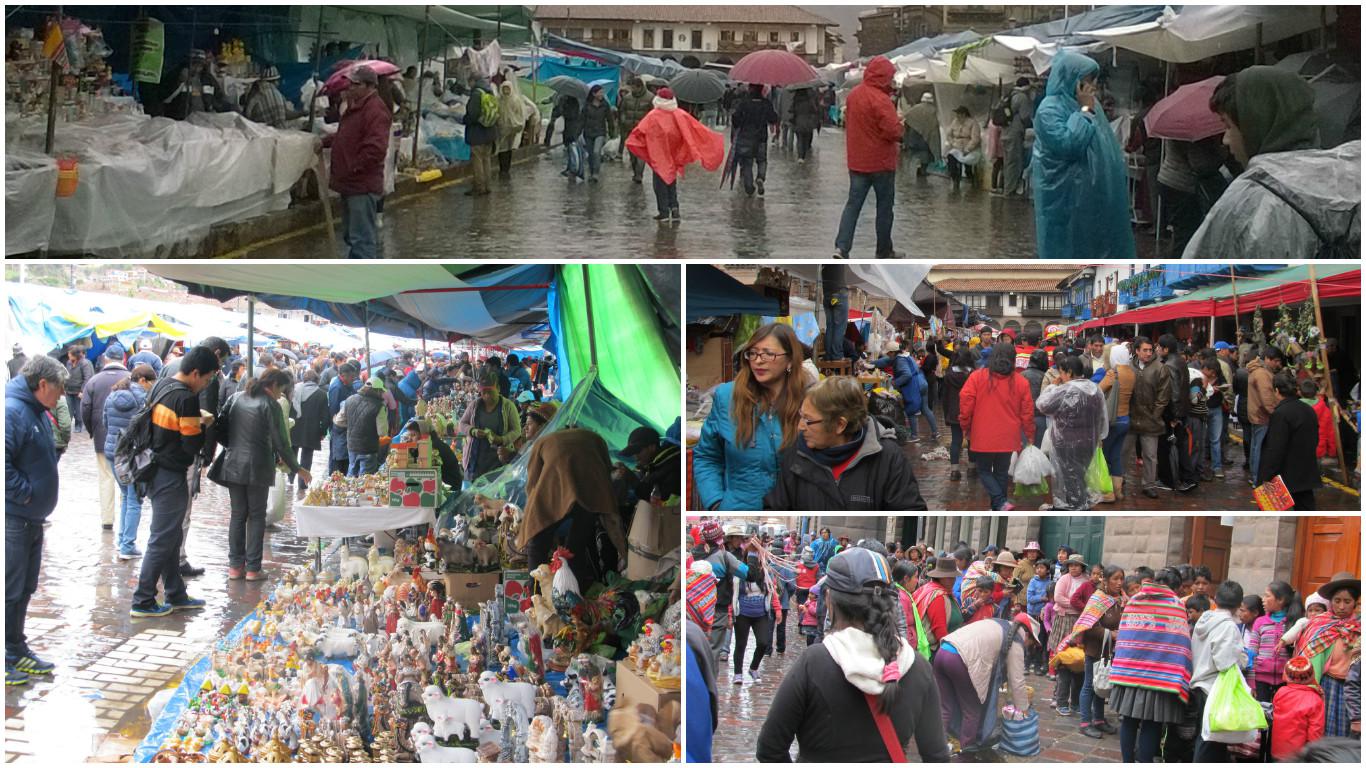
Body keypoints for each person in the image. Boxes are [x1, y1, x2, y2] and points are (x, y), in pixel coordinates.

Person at [757, 548, 949, 762]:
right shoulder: (918, 667)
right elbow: (937, 756)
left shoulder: (813, 663)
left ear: (829, 600)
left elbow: (770, 748)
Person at [1186, 66, 1358, 259]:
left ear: (1255, 125)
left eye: (1228, 126)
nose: (1225, 140)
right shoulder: (1349, 177)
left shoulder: (1249, 200)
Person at [130, 346, 221, 619]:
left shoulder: (162, 385)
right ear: (196, 373)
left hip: (154, 468)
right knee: (162, 538)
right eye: (207, 379)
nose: (205, 385)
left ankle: (175, 592)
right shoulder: (186, 398)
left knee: (171, 535)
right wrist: (203, 423)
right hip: (170, 473)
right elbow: (191, 445)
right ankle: (143, 599)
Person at [764, 375, 926, 511]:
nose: (800, 426)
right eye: (801, 416)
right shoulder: (796, 453)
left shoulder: (887, 458)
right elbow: (776, 506)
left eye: (808, 420)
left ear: (840, 425)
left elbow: (910, 509)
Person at [1031, 51, 1135, 259]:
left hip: (1093, 198)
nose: (1092, 86)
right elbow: (1069, 145)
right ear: (1072, 79)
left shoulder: (1092, 105)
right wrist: (1085, 110)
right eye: (1086, 80)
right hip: (1064, 200)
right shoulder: (1049, 109)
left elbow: (1106, 146)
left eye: (1093, 80)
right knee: (1066, 249)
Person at [693, 323, 806, 511]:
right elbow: (707, 456)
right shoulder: (727, 397)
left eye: (768, 354)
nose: (758, 361)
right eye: (752, 353)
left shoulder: (809, 401)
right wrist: (715, 502)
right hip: (737, 508)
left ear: (790, 360)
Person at [5, 356, 67, 685]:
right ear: (42, 384)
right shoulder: (13, 411)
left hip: (31, 518)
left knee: (24, 587)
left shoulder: (34, 409)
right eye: (59, 388)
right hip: (15, 517)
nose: (62, 394)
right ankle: (7, 654)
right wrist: (26, 494)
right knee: (9, 589)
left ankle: (15, 648)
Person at [212, 369, 307, 581]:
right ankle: (253, 569)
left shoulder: (236, 398)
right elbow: (281, 442)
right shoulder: (271, 405)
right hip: (259, 466)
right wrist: (297, 468)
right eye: (281, 390)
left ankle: (235, 567)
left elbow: (219, 427)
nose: (281, 395)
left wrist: (233, 446)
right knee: (256, 516)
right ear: (274, 385)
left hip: (234, 464)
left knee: (238, 515)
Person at [519, 428, 625, 587]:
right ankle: (575, 591)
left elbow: (533, 480)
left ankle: (536, 591)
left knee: (537, 544)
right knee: (576, 545)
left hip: (557, 490)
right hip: (590, 493)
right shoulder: (595, 437)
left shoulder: (544, 441)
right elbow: (607, 467)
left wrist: (533, 511)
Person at [1108, 567, 1193, 763]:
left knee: (1129, 720)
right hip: (1161, 676)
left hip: (1130, 672)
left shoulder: (1135, 600)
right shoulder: (1176, 605)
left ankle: (1127, 762)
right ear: (1176, 588)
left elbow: (1126, 635)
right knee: (1152, 724)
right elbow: (1180, 642)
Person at [833, 56, 904, 259]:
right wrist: (901, 126)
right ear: (884, 76)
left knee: (853, 205)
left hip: (857, 161)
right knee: (884, 208)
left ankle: (841, 247)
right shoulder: (881, 100)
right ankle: (883, 250)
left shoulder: (854, 95)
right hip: (881, 163)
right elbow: (893, 131)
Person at [625, 87, 724, 223]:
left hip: (658, 154)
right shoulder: (679, 114)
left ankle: (664, 211)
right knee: (671, 181)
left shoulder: (653, 115)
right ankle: (674, 209)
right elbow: (695, 128)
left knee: (660, 183)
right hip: (674, 153)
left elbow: (639, 132)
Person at [321, 66, 390, 259]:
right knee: (352, 235)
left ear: (369, 86)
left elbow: (375, 149)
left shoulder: (375, 110)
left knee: (361, 239)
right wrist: (325, 142)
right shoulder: (356, 107)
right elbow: (347, 135)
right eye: (350, 83)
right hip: (350, 183)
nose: (350, 87)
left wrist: (354, 168)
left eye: (355, 84)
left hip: (361, 184)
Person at [958, 343, 1035, 511]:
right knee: (1001, 472)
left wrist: (965, 426)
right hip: (1008, 436)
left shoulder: (977, 377)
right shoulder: (1021, 382)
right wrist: (1029, 434)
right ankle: (999, 506)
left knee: (984, 470)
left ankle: (1000, 502)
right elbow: (1027, 412)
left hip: (982, 434)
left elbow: (966, 404)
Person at [1035, 356, 1107, 511]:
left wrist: (1052, 387)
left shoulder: (1065, 390)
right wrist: (1099, 437)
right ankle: (1079, 504)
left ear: (1069, 372)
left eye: (1061, 372)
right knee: (1080, 475)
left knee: (1068, 477)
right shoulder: (1095, 390)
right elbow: (1102, 417)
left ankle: (1071, 507)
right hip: (1089, 442)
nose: (1060, 376)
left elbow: (1042, 405)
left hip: (1066, 442)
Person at [1188, 580, 1248, 761]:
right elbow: (1224, 662)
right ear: (1238, 605)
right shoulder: (1228, 626)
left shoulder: (1204, 619)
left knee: (1211, 737)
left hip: (1200, 682)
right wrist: (1243, 659)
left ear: (1215, 599)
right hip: (1214, 688)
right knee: (1209, 739)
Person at [104, 365, 156, 560]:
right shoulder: (143, 400)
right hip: (132, 456)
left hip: (113, 452)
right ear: (142, 380)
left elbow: (105, 422)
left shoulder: (112, 395)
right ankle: (127, 545)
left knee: (126, 496)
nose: (151, 386)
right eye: (151, 382)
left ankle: (122, 541)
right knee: (134, 499)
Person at [81, 346, 130, 531]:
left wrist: (92, 430)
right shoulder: (132, 378)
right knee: (126, 477)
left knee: (106, 478)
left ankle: (107, 519)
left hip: (102, 437)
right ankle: (126, 517)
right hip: (128, 439)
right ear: (123, 359)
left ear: (106, 359)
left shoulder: (94, 380)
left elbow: (85, 408)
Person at [1258, 373, 1321, 509]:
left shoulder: (1281, 413)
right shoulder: (1308, 410)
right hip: (1305, 472)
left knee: (1269, 511)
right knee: (1306, 509)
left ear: (1277, 390)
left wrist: (1266, 476)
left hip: (1284, 475)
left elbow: (1275, 449)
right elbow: (1315, 439)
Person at [694, 522, 754, 663]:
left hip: (694, 610)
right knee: (713, 649)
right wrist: (752, 554)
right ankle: (708, 675)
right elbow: (750, 575)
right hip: (717, 610)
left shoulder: (693, 555)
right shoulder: (724, 557)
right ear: (722, 537)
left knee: (695, 646)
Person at [456, 373, 521, 482]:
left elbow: (516, 430)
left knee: (496, 487)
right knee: (474, 489)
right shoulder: (475, 405)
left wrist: (501, 439)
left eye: (490, 392)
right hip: (475, 460)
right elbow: (462, 424)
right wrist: (473, 431)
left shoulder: (508, 406)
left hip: (498, 460)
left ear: (498, 389)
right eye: (483, 392)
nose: (486, 396)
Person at [1129, 336, 1172, 499]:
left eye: (1150, 350)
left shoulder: (1160, 368)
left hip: (1151, 419)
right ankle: (1119, 479)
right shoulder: (1129, 366)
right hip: (1131, 417)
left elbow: (1163, 396)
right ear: (1137, 351)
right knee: (1124, 452)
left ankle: (1149, 484)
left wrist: (1155, 415)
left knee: (1150, 455)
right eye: (1144, 350)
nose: (1148, 353)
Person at [732, 544, 780, 683]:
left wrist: (777, 608)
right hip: (743, 613)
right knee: (741, 644)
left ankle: (753, 668)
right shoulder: (740, 572)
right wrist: (731, 613)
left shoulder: (766, 572)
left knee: (763, 642)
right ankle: (738, 673)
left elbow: (772, 591)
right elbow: (733, 593)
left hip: (761, 613)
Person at [870, 342, 936, 444]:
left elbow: (907, 375)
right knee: (925, 408)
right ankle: (935, 432)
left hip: (915, 385)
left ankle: (914, 436)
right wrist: (871, 364)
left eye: (888, 353)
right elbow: (886, 361)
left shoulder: (900, 360)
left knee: (911, 409)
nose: (887, 355)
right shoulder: (903, 355)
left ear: (893, 352)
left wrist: (894, 383)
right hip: (922, 382)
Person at [1249, 580, 1304, 702]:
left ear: (1281, 600)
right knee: (1262, 711)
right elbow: (1252, 652)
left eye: (1267, 596)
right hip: (1260, 680)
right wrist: (1251, 681)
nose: (1263, 599)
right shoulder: (1260, 622)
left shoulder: (1294, 623)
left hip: (1286, 681)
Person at [1098, 343, 1136, 500]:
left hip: (1112, 421)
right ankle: (1118, 491)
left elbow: (1098, 390)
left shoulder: (1113, 373)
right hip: (1125, 420)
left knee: (1104, 456)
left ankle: (1108, 493)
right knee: (1116, 456)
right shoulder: (1131, 373)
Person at [1271, 656, 1327, 760]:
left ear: (1287, 675)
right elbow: (1315, 734)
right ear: (1311, 675)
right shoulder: (1315, 700)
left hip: (1277, 751)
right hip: (1299, 757)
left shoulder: (1280, 692)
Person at [731, 84, 779, 197]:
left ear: (750, 89)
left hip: (746, 137)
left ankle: (749, 187)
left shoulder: (744, 103)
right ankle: (760, 177)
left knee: (747, 162)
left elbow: (736, 119)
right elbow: (773, 119)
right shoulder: (766, 103)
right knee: (762, 160)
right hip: (761, 137)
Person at [337, 375, 389, 477]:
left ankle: (349, 487)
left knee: (351, 474)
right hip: (368, 448)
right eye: (381, 391)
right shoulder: (379, 406)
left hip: (352, 445)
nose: (382, 394)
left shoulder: (350, 399)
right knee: (365, 479)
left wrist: (353, 424)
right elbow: (382, 432)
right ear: (378, 390)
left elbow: (339, 421)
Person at [289, 369, 330, 497]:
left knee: (291, 454)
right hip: (311, 430)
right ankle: (303, 484)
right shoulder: (321, 394)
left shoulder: (294, 391)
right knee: (306, 457)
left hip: (293, 428)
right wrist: (323, 431)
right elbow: (325, 416)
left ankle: (290, 479)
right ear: (317, 380)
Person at [160, 50, 231, 120]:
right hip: (180, 123)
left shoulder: (208, 79)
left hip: (203, 122)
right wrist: (179, 81)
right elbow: (165, 99)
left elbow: (219, 99)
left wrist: (214, 108)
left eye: (200, 66)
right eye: (193, 65)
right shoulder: (175, 76)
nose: (196, 69)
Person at [494, 70, 535, 179]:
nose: (506, 91)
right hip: (502, 127)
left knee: (509, 147)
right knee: (501, 148)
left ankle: (506, 167)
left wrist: (515, 122)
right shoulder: (499, 100)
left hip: (512, 128)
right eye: (504, 89)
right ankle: (503, 168)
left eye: (508, 89)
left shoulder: (515, 100)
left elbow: (520, 113)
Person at [942, 346, 974, 482]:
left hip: (954, 412)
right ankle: (972, 468)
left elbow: (944, 397)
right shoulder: (973, 374)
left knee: (956, 441)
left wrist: (947, 414)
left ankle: (954, 471)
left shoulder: (948, 375)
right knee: (972, 440)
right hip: (971, 412)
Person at [462, 74, 497, 195]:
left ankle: (479, 187)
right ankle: (487, 186)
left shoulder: (476, 94)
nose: (468, 85)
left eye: (469, 82)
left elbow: (473, 115)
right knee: (486, 159)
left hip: (477, 132)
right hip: (490, 131)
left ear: (473, 81)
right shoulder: (489, 91)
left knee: (477, 160)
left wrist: (464, 120)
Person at [1000, 77, 1034, 196]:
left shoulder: (1009, 95)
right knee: (1014, 163)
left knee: (1007, 162)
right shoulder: (1022, 97)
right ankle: (1010, 190)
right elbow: (1025, 117)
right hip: (1014, 133)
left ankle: (1005, 187)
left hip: (1005, 133)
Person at [616, 77, 653, 183]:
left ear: (640, 87)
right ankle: (635, 171)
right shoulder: (627, 98)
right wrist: (623, 120)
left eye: (634, 87)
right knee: (632, 153)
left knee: (641, 154)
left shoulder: (650, 98)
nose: (632, 89)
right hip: (629, 129)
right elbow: (622, 110)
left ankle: (639, 175)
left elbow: (653, 113)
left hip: (643, 130)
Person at [326, 362, 360, 474]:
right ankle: (333, 477)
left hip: (345, 425)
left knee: (342, 455)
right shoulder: (337, 387)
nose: (353, 379)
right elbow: (333, 409)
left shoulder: (347, 385)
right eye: (351, 376)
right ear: (343, 375)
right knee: (336, 456)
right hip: (338, 426)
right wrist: (336, 425)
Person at [579, 85, 614, 183]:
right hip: (588, 132)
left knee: (596, 152)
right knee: (590, 154)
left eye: (602, 92)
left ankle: (596, 173)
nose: (602, 94)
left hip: (600, 132)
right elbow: (582, 120)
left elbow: (610, 119)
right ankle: (591, 172)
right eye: (600, 92)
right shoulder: (587, 105)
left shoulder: (605, 105)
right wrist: (578, 132)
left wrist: (611, 131)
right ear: (594, 94)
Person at [945, 106, 982, 191]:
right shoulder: (954, 122)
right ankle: (955, 178)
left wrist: (968, 149)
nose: (957, 116)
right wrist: (952, 142)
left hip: (969, 147)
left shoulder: (973, 123)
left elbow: (975, 138)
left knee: (968, 162)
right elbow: (949, 134)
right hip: (956, 146)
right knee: (951, 158)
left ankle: (970, 176)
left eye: (959, 114)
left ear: (964, 114)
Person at [62, 346, 94, 433]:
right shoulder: (69, 363)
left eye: (69, 353)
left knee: (79, 410)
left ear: (75, 354)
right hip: (69, 390)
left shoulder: (84, 363)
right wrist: (64, 386)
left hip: (79, 391)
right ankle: (66, 426)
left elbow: (87, 378)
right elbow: (66, 375)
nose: (68, 355)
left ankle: (79, 425)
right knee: (68, 410)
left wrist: (82, 391)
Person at [790, 87, 821, 162]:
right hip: (808, 122)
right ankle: (804, 154)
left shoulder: (796, 100)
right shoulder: (809, 100)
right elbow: (815, 110)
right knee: (805, 139)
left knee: (799, 139)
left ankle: (800, 157)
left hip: (798, 121)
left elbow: (791, 110)